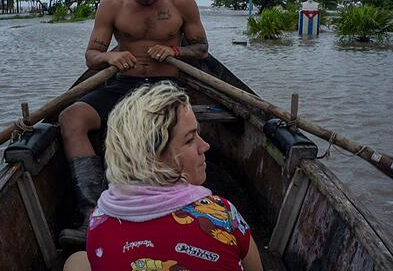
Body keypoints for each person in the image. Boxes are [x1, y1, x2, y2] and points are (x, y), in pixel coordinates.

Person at [58, 0, 209, 246]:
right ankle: (92, 211)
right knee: (71, 118)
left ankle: (181, 205)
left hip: (167, 88)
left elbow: (202, 50)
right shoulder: (111, 6)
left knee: (162, 129)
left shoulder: (182, 3)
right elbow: (91, 55)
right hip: (123, 86)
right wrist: (110, 59)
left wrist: (174, 50)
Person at [67, 81, 262, 271]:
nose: (205, 146)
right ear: (154, 157)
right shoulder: (221, 214)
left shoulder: (99, 218)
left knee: (76, 261)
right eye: (189, 139)